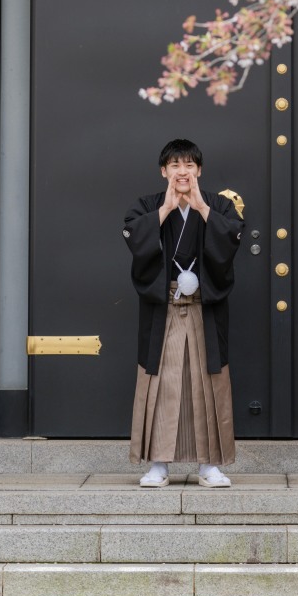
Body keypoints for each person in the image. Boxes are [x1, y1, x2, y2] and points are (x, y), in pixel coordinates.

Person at [123, 138, 243, 488]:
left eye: (189, 165)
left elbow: (233, 236)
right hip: (165, 307)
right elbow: (133, 235)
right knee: (162, 383)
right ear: (164, 171)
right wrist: (165, 210)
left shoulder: (218, 205)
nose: (182, 172)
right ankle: (158, 464)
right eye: (175, 165)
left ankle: (210, 465)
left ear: (199, 170)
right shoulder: (148, 206)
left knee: (208, 383)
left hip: (205, 307)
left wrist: (202, 208)